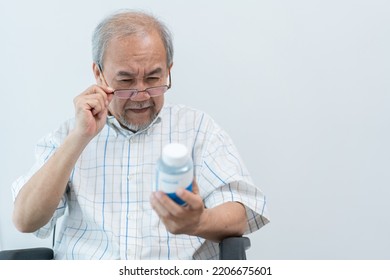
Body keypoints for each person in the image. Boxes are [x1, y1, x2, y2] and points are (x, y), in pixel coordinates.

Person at [11, 9, 269, 260]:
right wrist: (80, 137)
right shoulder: (69, 134)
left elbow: (242, 211)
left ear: (168, 69)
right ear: (99, 74)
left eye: (154, 78)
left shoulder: (198, 128)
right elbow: (26, 220)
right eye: (125, 81)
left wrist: (199, 221)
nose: (142, 94)